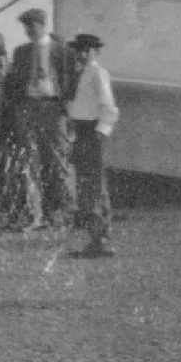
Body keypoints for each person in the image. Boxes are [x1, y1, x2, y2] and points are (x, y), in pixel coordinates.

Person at [3, 6, 75, 227]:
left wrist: (67, 109)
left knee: (55, 159)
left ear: (43, 25)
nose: (28, 30)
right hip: (28, 107)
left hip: (52, 108)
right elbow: (14, 82)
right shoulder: (21, 52)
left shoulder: (62, 51)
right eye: (26, 26)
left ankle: (58, 211)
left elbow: (71, 83)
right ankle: (34, 212)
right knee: (28, 160)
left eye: (32, 25)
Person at [65, 32, 119, 257]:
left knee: (94, 186)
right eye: (79, 50)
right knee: (85, 186)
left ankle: (99, 239)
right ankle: (93, 237)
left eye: (87, 50)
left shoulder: (98, 74)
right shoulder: (80, 74)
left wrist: (100, 132)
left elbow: (109, 107)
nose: (82, 54)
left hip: (91, 132)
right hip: (79, 130)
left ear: (95, 52)